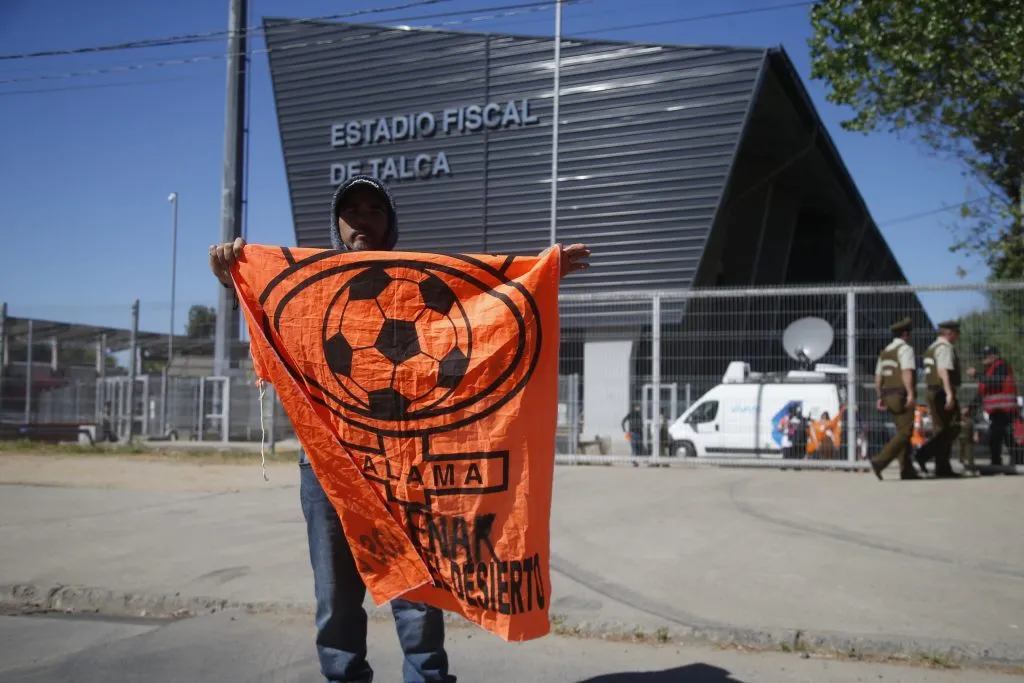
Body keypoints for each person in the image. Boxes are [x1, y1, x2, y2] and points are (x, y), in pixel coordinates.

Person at [209, 174, 591, 683]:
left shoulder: (420, 285)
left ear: (390, 223)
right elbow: (270, 321)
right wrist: (235, 281)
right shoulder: (307, 289)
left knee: (418, 595)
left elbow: (487, 311)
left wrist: (539, 276)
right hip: (328, 468)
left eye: (374, 209)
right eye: (352, 211)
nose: (362, 219)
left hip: (410, 466)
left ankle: (428, 678)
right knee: (336, 599)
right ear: (337, 224)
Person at [868, 317, 919, 480]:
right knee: (905, 432)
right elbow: (906, 371)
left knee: (901, 432)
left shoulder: (885, 352)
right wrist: (910, 393)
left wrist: (879, 396)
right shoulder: (905, 349)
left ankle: (907, 470)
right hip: (901, 395)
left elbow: (878, 376)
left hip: (888, 395)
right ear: (905, 334)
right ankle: (880, 461)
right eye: (909, 333)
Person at [915, 320, 963, 478]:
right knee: (955, 425)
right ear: (949, 333)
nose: (958, 337)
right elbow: (943, 370)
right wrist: (949, 393)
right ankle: (924, 454)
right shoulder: (944, 348)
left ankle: (942, 467)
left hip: (933, 391)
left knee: (941, 429)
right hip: (941, 392)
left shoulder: (932, 347)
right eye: (957, 333)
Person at [967, 345, 1020, 468]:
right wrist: (970, 408)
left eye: (986, 356)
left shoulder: (1001, 366)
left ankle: (1004, 462)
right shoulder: (989, 371)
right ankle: (1008, 461)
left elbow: (995, 381)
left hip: (1005, 410)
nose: (984, 359)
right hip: (996, 411)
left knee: (1000, 436)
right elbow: (982, 394)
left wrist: (976, 375)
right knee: (1002, 437)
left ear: (994, 356)